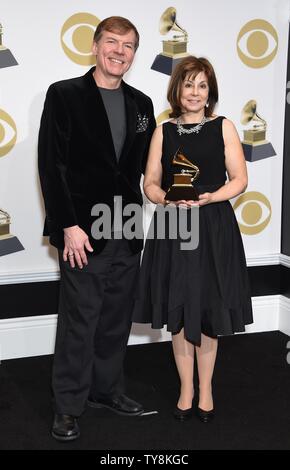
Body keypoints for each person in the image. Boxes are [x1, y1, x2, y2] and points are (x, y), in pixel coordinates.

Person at [38, 16, 155, 441]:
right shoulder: (64, 95)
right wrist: (68, 224)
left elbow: (148, 168)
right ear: (94, 46)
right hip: (82, 231)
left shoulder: (142, 105)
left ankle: (106, 390)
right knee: (80, 320)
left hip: (126, 229)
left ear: (134, 54)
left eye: (128, 45)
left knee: (115, 319)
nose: (119, 51)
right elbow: (52, 166)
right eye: (112, 42)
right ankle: (68, 404)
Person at [133, 56, 253, 423]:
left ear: (209, 91)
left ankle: (207, 389)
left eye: (202, 85)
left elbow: (239, 179)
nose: (195, 92)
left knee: (208, 310)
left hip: (213, 225)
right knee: (180, 310)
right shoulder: (162, 131)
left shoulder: (224, 126)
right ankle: (186, 389)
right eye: (189, 85)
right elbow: (150, 182)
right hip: (173, 226)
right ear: (178, 90)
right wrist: (165, 198)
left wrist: (210, 197)